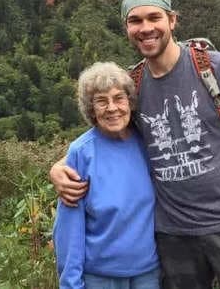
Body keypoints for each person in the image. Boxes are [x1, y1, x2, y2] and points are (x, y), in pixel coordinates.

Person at [51, 0, 220, 288]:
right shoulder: (132, 86)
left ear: (172, 20)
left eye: (154, 17)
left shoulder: (216, 68)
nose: (146, 28)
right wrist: (59, 167)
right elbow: (105, 131)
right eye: (135, 21)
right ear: (126, 28)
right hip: (173, 237)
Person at [53, 62, 159, 289]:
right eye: (101, 101)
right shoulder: (81, 153)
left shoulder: (146, 144)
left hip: (148, 275)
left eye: (118, 98)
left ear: (130, 102)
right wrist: (70, 283)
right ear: (91, 109)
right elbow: (69, 229)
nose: (112, 108)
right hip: (99, 279)